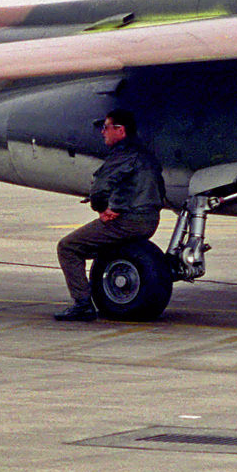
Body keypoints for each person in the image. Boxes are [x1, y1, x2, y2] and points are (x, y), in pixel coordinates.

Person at [54, 110, 166, 321]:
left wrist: (101, 208)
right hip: (150, 220)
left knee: (68, 247)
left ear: (120, 130)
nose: (102, 132)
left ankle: (82, 304)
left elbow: (100, 188)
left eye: (106, 127)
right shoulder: (146, 154)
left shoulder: (123, 155)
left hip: (127, 221)